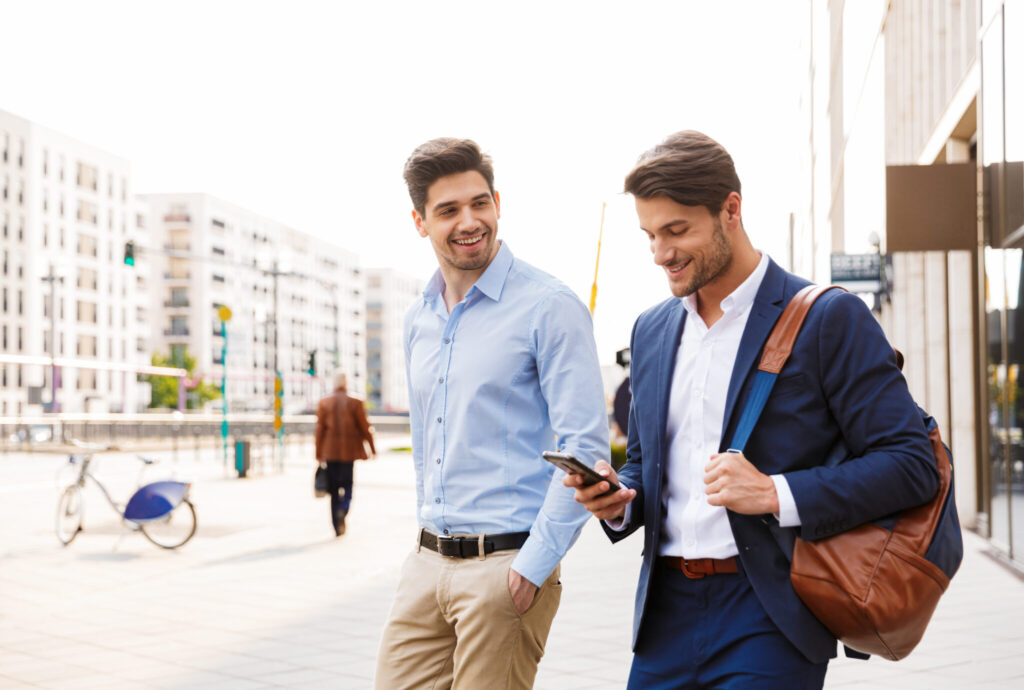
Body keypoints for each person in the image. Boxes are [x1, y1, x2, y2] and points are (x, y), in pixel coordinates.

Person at [565, 130, 940, 688]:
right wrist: (618, 500)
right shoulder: (651, 330)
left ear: (730, 210)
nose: (660, 253)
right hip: (663, 617)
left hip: (770, 614)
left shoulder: (827, 319)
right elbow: (645, 466)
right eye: (649, 235)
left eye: (676, 230)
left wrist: (774, 493)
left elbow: (913, 464)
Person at [374, 138, 609, 690]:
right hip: (426, 562)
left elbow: (585, 449)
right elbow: (428, 439)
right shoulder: (419, 319)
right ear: (420, 221)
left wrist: (532, 566)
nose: (470, 220)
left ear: (498, 202)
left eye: (480, 203)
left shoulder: (549, 305)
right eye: (449, 210)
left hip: (505, 565)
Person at [315, 372, 376, 536]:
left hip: (330, 452)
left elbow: (319, 429)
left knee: (333, 490)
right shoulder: (355, 402)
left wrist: (318, 452)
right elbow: (365, 427)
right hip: (349, 452)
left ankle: (336, 526)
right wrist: (372, 448)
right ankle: (344, 508)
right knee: (348, 485)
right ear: (346, 383)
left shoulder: (324, 402)